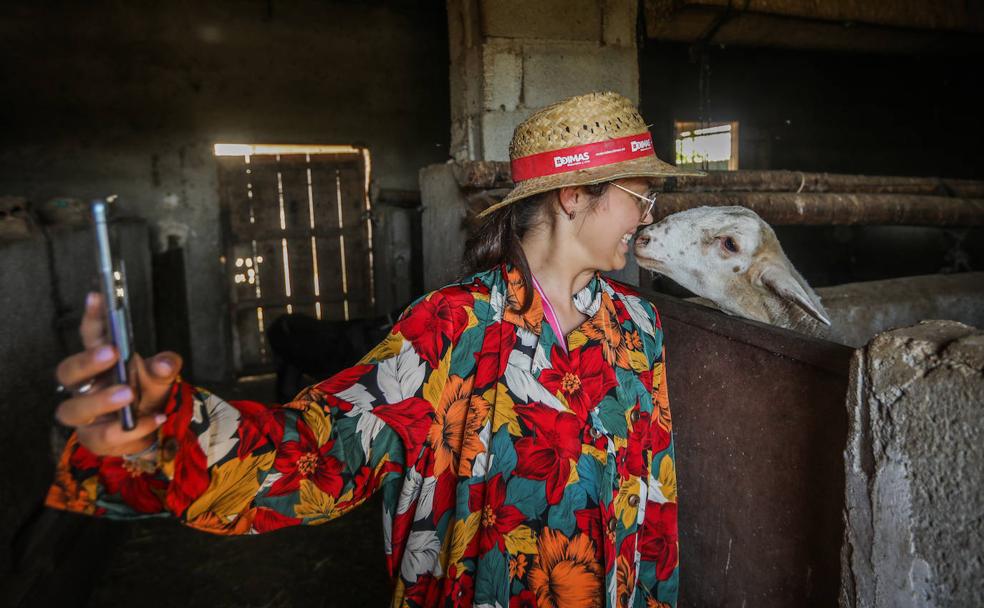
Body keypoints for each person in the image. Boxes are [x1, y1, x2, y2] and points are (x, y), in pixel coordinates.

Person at [48, 91, 702, 608]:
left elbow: (655, 498)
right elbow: (321, 449)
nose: (647, 216)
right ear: (572, 195)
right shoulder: (450, 327)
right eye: (639, 196)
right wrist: (169, 434)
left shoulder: (637, 327)